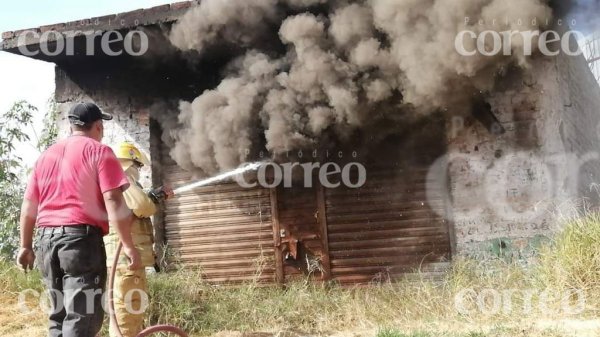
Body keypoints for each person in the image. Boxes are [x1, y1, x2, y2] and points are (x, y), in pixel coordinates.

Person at [17, 102, 141, 337]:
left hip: (45, 242)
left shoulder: (45, 156)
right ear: (97, 126)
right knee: (82, 319)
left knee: (58, 316)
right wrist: (128, 245)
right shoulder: (99, 151)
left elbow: (28, 206)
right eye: (101, 126)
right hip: (79, 243)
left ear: (72, 126)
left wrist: (25, 246)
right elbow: (113, 200)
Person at [104, 142, 173, 337]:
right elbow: (143, 206)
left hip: (126, 260)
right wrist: (153, 197)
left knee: (127, 313)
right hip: (127, 260)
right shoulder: (121, 178)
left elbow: (139, 204)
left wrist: (153, 194)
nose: (139, 171)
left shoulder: (116, 182)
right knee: (128, 313)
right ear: (130, 163)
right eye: (138, 165)